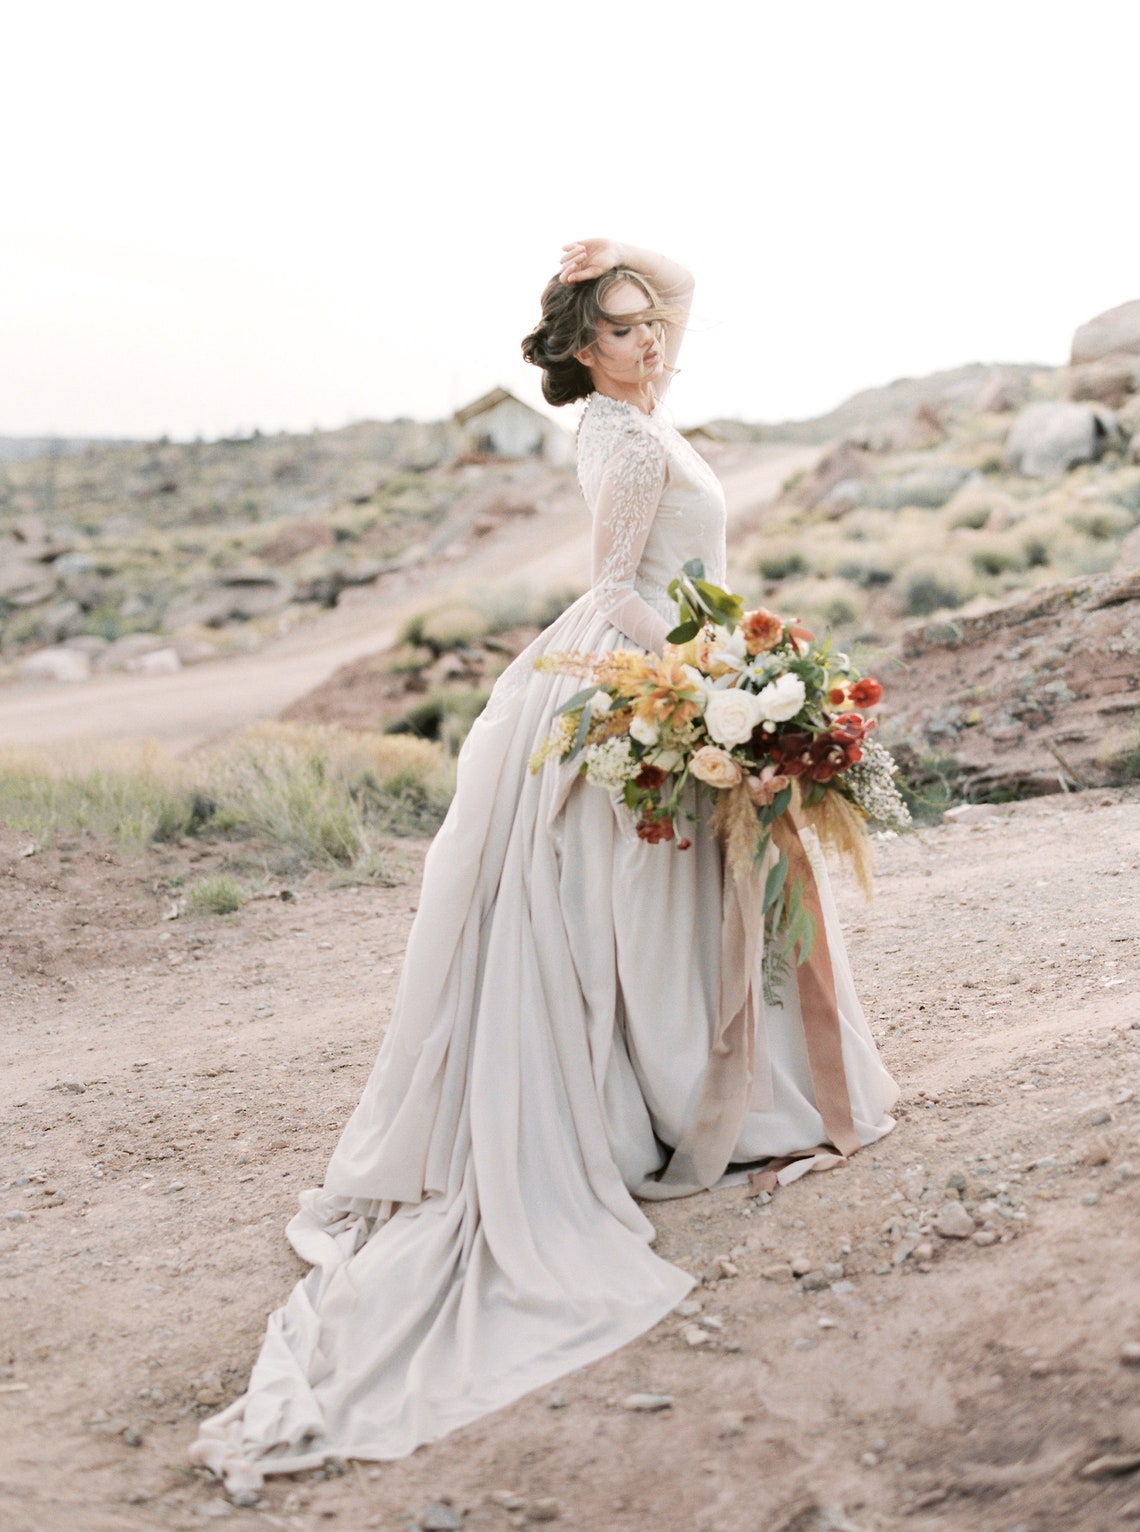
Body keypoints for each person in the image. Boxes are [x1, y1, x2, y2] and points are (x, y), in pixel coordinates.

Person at [192, 240, 898, 1496]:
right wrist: (704, 675)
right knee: (633, 898)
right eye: (622, 329)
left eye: (649, 327)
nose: (651, 340)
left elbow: (680, 284)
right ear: (582, 349)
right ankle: (681, 1105)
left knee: (676, 900)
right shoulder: (620, 440)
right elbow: (618, 586)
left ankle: (723, 1096)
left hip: (682, 653)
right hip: (642, 662)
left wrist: (616, 257)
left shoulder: (647, 405)